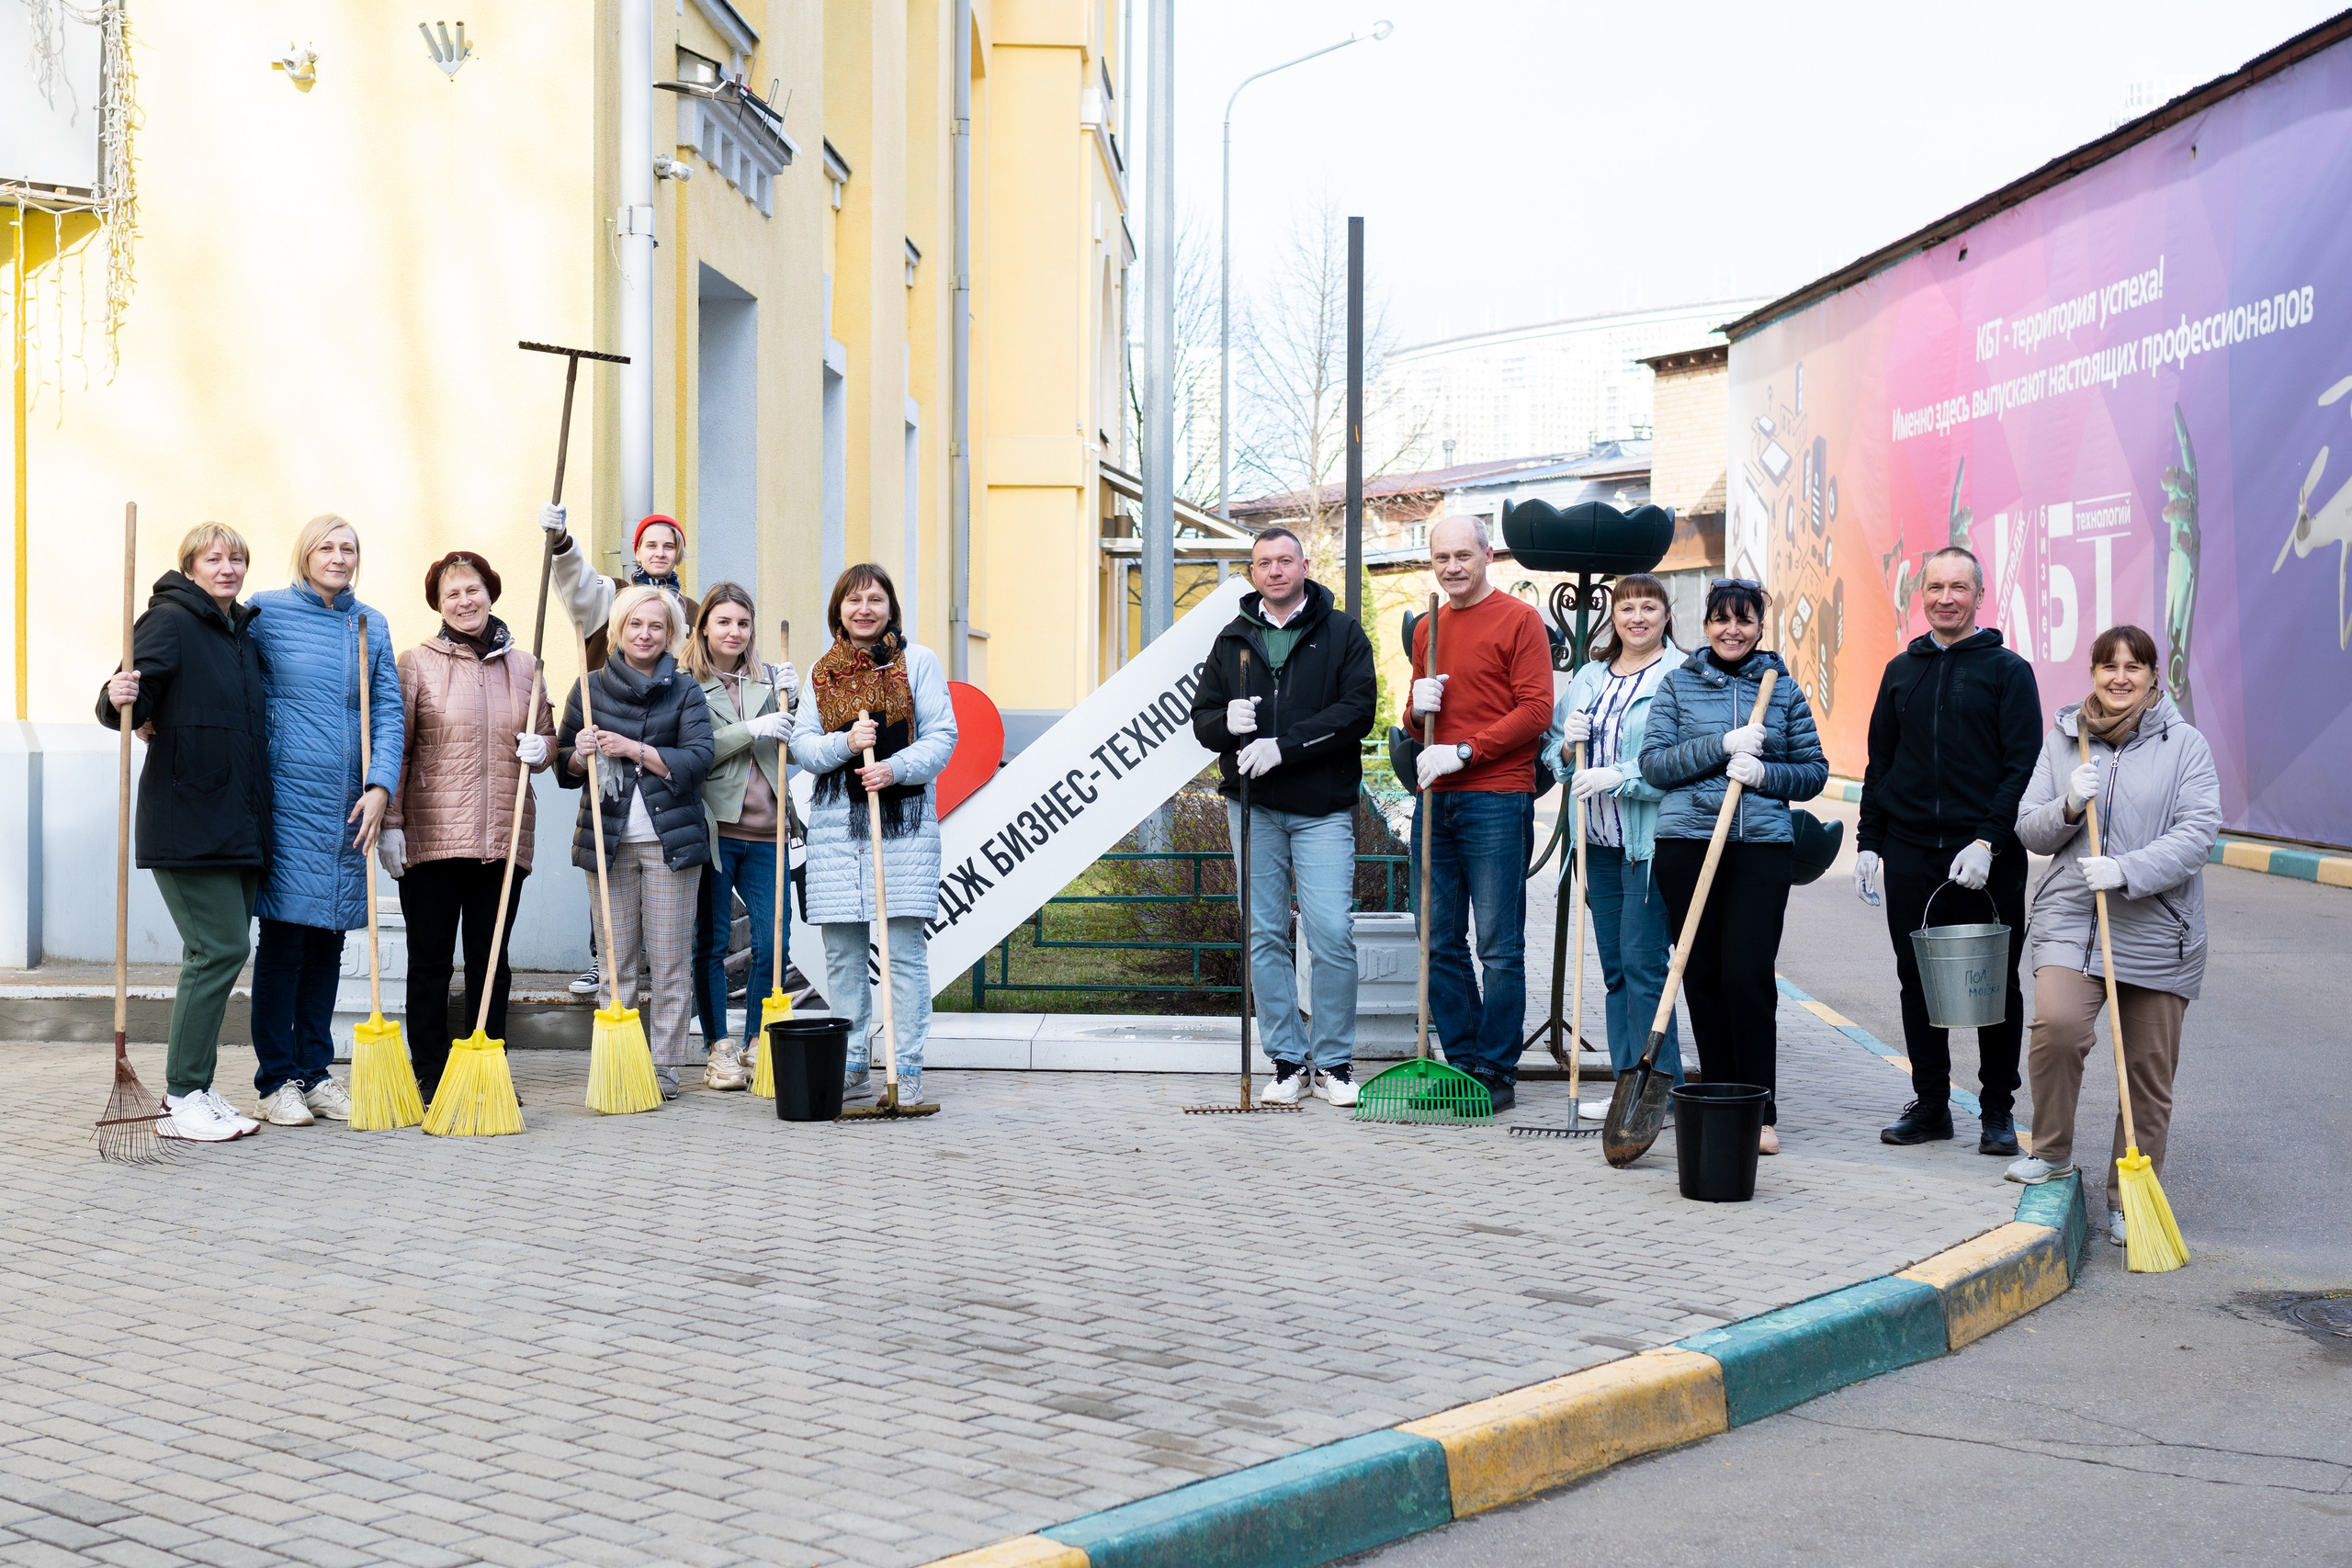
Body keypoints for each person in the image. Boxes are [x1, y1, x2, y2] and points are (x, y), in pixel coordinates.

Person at [2007, 626, 2219, 1248]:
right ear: (2093, 673)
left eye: (2135, 666)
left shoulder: (2186, 746)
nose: (2120, 677)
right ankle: (2050, 1151)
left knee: (2148, 1070)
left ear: (2157, 676)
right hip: (2073, 915)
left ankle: (2131, 1193)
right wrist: (2069, 805)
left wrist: (2128, 868)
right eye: (2108, 666)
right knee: (2058, 1027)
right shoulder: (2065, 738)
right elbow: (2030, 828)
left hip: (2159, 925)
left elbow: (2198, 830)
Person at [1852, 547, 2042, 1154]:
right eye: (1935, 586)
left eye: (1958, 586)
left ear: (1979, 595)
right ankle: (1932, 1104)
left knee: (1994, 986)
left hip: (1987, 858)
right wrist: (1868, 842)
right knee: (1917, 983)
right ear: (1922, 594)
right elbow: (1880, 764)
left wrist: (1989, 839)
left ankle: (1996, 1110)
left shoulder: (2008, 671)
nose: (1945, 597)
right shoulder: (1900, 671)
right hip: (1911, 853)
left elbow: (2023, 767)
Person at [1188, 527, 1379, 1107]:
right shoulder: (1233, 640)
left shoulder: (1341, 632)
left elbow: (1356, 713)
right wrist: (1230, 723)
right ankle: (1288, 1060)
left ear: (1304, 565)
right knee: (1264, 935)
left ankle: (1336, 1062)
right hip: (1254, 809)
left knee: (1330, 934)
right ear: (1252, 573)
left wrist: (1284, 746)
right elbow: (1203, 723)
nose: (1274, 570)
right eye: (1263, 562)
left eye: (1284, 560)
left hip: (1320, 808)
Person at [1639, 580, 1826, 1155]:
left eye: (1743, 621)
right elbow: (1654, 766)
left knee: (1746, 975)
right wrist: (1723, 745)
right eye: (1721, 619)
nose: (1732, 630)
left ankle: (1759, 1107)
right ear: (1706, 625)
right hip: (1688, 845)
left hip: (1760, 849)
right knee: (1702, 975)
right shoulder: (1677, 686)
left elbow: (1814, 773)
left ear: (1759, 627)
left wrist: (1767, 775)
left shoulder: (1785, 692)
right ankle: (1719, 1094)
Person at [97, 523, 270, 1142]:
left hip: (239, 820)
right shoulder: (170, 621)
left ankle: (196, 1087)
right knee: (218, 949)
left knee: (225, 952)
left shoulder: (240, 635)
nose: (227, 567)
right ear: (191, 567)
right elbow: (128, 700)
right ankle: (180, 1095)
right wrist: (118, 696)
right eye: (213, 557)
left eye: (237, 558)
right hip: (188, 818)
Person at [377, 552, 557, 1101]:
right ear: (438, 602)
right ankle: (430, 1075)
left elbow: (547, 736)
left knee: (490, 963)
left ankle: (485, 1070)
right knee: (430, 961)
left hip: (502, 837)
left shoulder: (526, 666)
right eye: (452, 593)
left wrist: (543, 749)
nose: (464, 601)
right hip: (431, 839)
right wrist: (391, 822)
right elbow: (397, 747)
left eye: (473, 589)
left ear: (491, 593)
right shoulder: (415, 663)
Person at [243, 513, 403, 1126]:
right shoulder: (266, 612)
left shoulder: (372, 622)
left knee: (330, 940)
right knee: (284, 939)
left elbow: (388, 711)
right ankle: (274, 1077)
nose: (338, 557)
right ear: (305, 553)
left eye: (348, 548)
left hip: (347, 806)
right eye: (327, 547)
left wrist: (381, 785)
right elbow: (222, 672)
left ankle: (315, 1072)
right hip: (287, 801)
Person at [1403, 517, 1557, 1111]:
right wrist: (1418, 714)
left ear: (1488, 554)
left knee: (1498, 944)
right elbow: (1416, 719)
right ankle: (1460, 1063)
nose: (1452, 566)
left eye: (1463, 554)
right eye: (1441, 556)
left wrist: (1465, 750)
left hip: (1496, 793)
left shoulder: (1519, 620)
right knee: (1438, 938)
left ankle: (1498, 1070)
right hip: (1435, 798)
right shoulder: (1429, 629)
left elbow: (1537, 708)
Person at [791, 564, 957, 1106]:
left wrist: (894, 768)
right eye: (853, 600)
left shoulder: (919, 662)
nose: (864, 609)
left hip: (902, 829)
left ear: (891, 608)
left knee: (904, 955)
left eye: (875, 599)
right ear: (838, 608)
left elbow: (942, 736)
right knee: (842, 958)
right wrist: (845, 743)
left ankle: (906, 1065)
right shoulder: (822, 672)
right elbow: (804, 747)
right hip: (837, 832)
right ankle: (853, 1062)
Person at [538, 502, 703, 997]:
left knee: (669, 932)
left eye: (668, 545)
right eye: (650, 543)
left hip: (666, 755)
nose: (658, 551)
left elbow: (703, 668)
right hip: (607, 730)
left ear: (678, 555)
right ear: (637, 550)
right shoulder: (612, 593)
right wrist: (562, 540)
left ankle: (666, 1057)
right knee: (609, 866)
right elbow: (577, 582)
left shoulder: (690, 611)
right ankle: (601, 961)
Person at [556, 585, 715, 1098]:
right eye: (635, 625)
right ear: (619, 631)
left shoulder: (686, 690)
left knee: (669, 962)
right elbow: (563, 767)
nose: (645, 634)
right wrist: (580, 753)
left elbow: (697, 763)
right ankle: (616, 1060)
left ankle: (665, 1067)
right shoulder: (588, 687)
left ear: (670, 634)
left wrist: (633, 748)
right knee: (616, 962)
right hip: (608, 843)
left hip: (672, 844)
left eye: (656, 627)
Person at [1543, 572, 1684, 1085]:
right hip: (1596, 845)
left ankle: (1659, 1087)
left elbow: (1683, 766)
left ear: (1667, 615)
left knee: (1645, 968)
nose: (1637, 618)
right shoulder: (1590, 676)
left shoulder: (1681, 675)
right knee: (1616, 970)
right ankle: (1631, 1081)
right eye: (1627, 609)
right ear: (1614, 618)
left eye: (1649, 607)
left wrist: (1620, 777)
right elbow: (1553, 749)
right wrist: (1563, 746)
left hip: (1648, 848)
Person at [685, 583, 794, 1090]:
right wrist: (754, 728)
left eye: (743, 623)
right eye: (724, 622)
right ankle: (718, 1048)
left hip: (769, 832)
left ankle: (757, 1043)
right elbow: (697, 751)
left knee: (774, 943)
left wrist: (799, 697)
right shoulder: (687, 683)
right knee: (711, 942)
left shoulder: (770, 680)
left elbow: (798, 737)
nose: (734, 632)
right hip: (714, 830)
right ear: (704, 625)